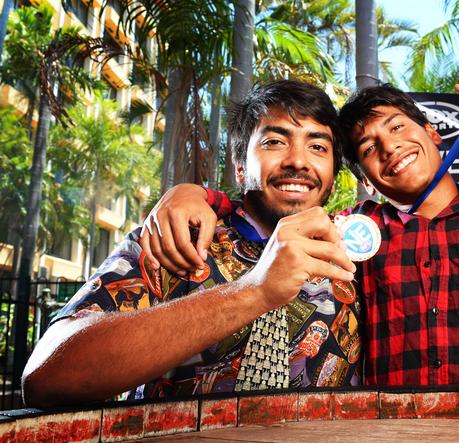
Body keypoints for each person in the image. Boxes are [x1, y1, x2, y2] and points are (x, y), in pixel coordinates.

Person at [144, 79, 459, 387]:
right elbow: (274, 209)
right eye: (367, 146)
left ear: (433, 133)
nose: (387, 146)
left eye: (398, 127)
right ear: (365, 175)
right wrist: (194, 194)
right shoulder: (352, 235)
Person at [21, 80, 361, 407]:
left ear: (332, 174)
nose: (298, 161)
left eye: (317, 147)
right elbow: (48, 379)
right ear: (240, 167)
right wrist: (255, 291)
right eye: (274, 142)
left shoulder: (357, 256)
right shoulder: (175, 237)